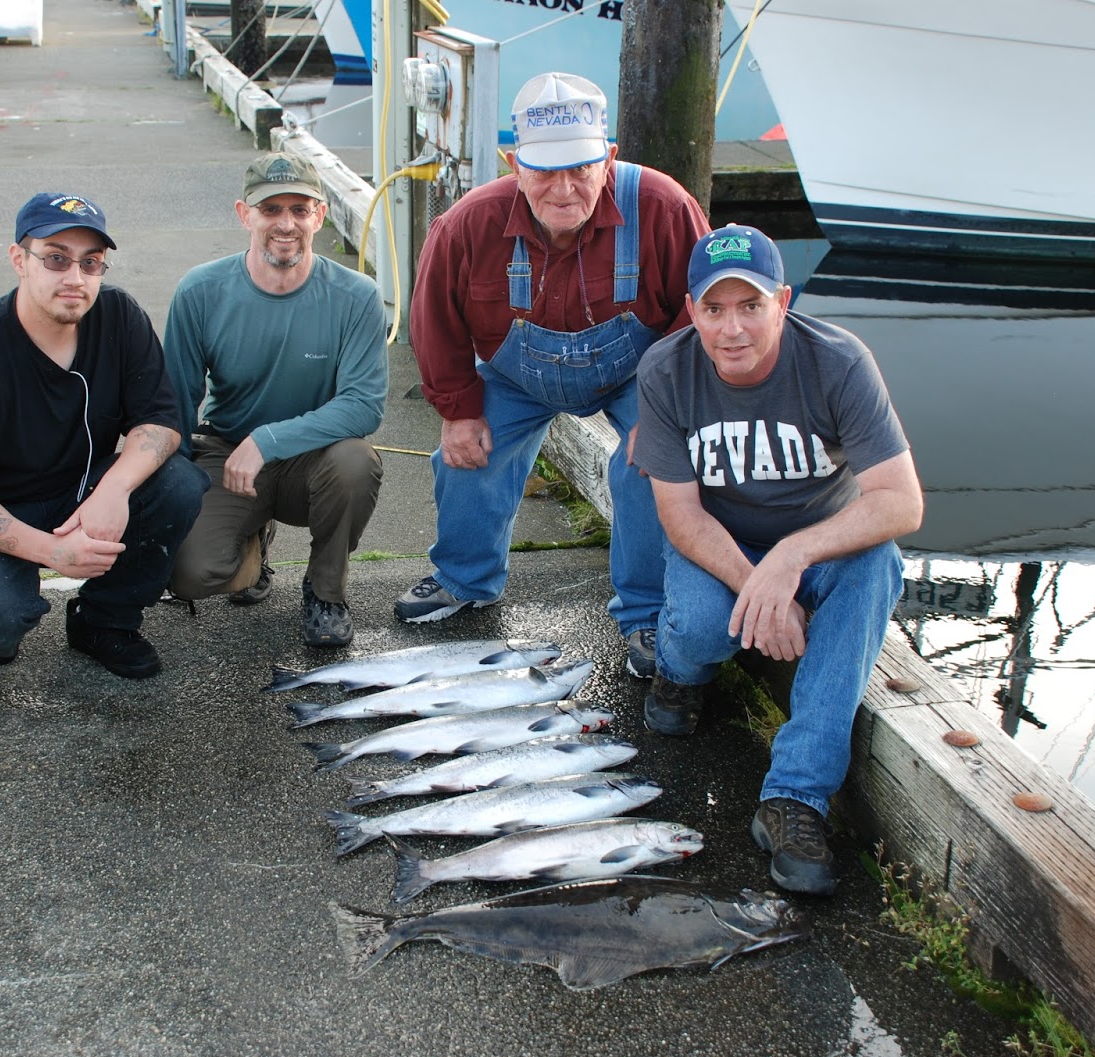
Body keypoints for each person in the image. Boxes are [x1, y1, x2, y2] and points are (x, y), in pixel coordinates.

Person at [633, 223, 924, 895]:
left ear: (783, 301)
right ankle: (679, 674)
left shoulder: (839, 362)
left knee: (875, 562)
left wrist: (792, 556)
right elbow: (681, 516)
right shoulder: (666, 371)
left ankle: (794, 798)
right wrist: (756, 580)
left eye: (750, 305)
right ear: (691, 312)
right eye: (714, 308)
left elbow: (901, 502)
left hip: (819, 544)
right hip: (721, 544)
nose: (733, 328)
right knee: (702, 628)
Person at [394, 71, 707, 679]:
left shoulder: (666, 206)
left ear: (609, 158)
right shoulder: (465, 225)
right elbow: (433, 320)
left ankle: (645, 613)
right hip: (515, 376)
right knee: (466, 458)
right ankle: (464, 579)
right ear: (514, 162)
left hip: (640, 375)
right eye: (543, 171)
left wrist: (668, 414)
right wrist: (457, 410)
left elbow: (698, 314)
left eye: (582, 169)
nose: (563, 188)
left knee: (650, 465)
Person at [0, 192, 208, 678]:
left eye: (90, 263)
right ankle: (1, 605)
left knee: (178, 483)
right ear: (19, 260)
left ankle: (104, 620)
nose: (74, 278)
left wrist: (114, 490)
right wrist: (53, 553)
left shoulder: (120, 318)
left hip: (79, 487)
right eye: (56, 259)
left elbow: (161, 421)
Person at [163, 151, 387, 647]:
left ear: (320, 216)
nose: (285, 224)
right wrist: (171, 488)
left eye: (300, 209)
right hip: (228, 455)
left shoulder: (357, 296)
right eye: (270, 210)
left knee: (357, 462)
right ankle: (251, 546)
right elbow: (175, 399)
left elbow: (363, 405)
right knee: (190, 575)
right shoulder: (200, 291)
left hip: (316, 459)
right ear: (245, 215)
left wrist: (268, 439)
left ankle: (325, 591)